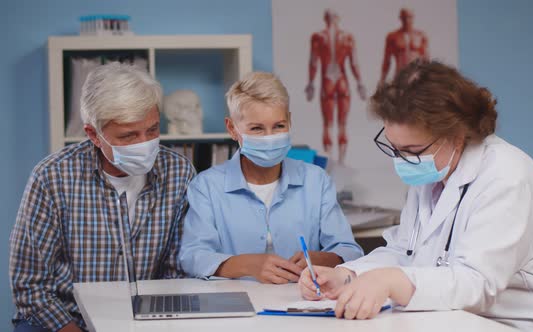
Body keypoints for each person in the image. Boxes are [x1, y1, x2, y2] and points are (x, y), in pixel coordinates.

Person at [298, 60, 533, 331]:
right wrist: (347, 275)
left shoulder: (507, 177)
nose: (401, 161)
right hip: (462, 319)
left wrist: (391, 281)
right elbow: (404, 251)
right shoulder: (433, 172)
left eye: (412, 152)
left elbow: (477, 284)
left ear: (457, 134)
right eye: (394, 148)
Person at [9, 63, 195, 332]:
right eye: (128, 135)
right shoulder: (52, 177)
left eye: (152, 130)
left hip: (145, 318)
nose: (144, 144)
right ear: (93, 135)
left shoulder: (179, 172)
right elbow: (28, 284)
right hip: (63, 318)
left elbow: (176, 272)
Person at [180, 72, 363, 284]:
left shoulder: (316, 181)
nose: (270, 138)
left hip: (303, 300)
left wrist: (322, 259)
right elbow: (193, 257)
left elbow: (350, 251)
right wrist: (248, 265)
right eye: (257, 128)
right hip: (235, 303)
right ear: (232, 128)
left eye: (278, 126)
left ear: (290, 121)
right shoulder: (206, 186)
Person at [305, 9, 367, 164]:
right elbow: (354, 63)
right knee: (342, 124)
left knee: (328, 124)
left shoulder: (319, 37)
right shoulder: (346, 37)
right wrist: (359, 83)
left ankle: (332, 160)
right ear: (338, 19)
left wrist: (311, 83)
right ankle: (340, 161)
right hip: (342, 80)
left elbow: (314, 62)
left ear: (325, 19)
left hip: (328, 81)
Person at [379, 8, 429, 84]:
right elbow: (387, 61)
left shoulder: (421, 36)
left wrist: (428, 76)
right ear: (400, 18)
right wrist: (382, 79)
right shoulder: (392, 36)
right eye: (404, 17)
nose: (407, 20)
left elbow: (426, 59)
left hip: (417, 75)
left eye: (409, 17)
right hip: (400, 76)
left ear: (413, 18)